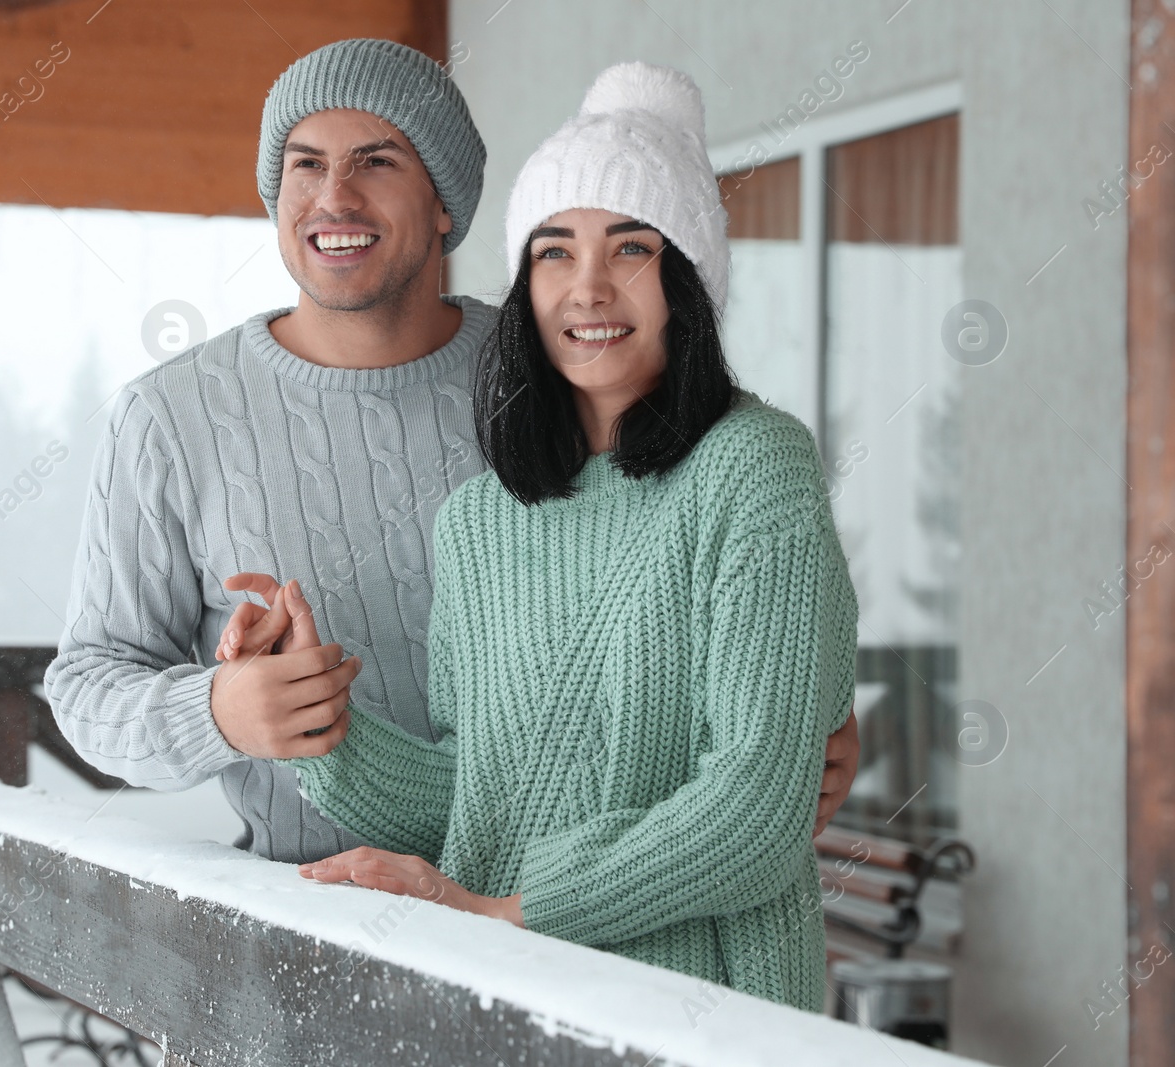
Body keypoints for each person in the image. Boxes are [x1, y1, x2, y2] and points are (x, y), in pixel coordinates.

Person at [45, 39, 858, 871]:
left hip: (560, 918)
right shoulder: (169, 416)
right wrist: (220, 710)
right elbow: (86, 684)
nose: (334, 197)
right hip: (305, 908)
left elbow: (710, 518)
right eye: (304, 165)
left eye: (376, 161)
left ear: (445, 202)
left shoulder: (555, 366)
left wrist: (809, 704)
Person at [213, 61, 858, 1011]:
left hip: (700, 1013)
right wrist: (314, 722)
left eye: (631, 249)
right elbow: (478, 801)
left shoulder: (754, 468)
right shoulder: (479, 521)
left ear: (687, 280)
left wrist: (507, 910)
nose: (588, 289)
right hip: (515, 1005)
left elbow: (756, 813)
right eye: (554, 252)